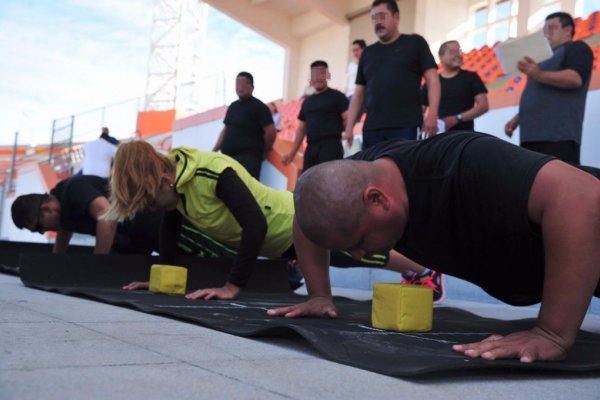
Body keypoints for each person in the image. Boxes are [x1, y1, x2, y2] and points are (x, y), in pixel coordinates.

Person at [267, 131, 600, 364]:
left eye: (358, 241)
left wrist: (552, 332)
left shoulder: (465, 162)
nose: (357, 255)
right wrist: (319, 295)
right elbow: (309, 211)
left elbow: (581, 197)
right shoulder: (359, 177)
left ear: (377, 200)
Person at [108, 141, 443, 301]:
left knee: (359, 253)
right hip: (273, 243)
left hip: (291, 222)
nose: (154, 208)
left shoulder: (212, 171)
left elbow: (255, 224)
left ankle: (426, 270)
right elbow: (170, 230)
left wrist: (232, 286)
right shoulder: (176, 193)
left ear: (163, 179)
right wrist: (161, 278)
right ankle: (420, 269)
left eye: (151, 200)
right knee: (349, 259)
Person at [343, 0, 440, 149]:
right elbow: (358, 95)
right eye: (374, 18)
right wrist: (349, 127)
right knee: (372, 171)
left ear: (396, 17)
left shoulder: (415, 43)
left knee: (403, 171)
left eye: (382, 16)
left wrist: (432, 115)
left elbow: (433, 80)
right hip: (372, 129)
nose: (378, 22)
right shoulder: (367, 53)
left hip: (406, 125)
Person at [505, 12, 593, 163]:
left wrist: (538, 74)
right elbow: (540, 94)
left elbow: (575, 78)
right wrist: (518, 118)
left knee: (558, 184)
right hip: (530, 137)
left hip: (558, 137)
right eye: (545, 28)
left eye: (553, 27)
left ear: (568, 30)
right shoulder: (540, 60)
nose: (547, 32)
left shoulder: (576, 48)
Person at [11, 175, 160, 254]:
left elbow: (107, 215)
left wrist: (96, 263)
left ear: (47, 209)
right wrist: (55, 262)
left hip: (158, 224)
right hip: (138, 239)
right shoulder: (62, 208)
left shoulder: (74, 189)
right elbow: (65, 229)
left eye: (39, 227)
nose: (43, 231)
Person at [282, 60, 349, 172]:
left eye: (322, 74)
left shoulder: (338, 96)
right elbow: (301, 130)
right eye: (315, 75)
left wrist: (342, 132)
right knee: (309, 183)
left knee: (328, 182)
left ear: (327, 75)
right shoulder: (307, 102)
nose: (318, 78)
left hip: (331, 147)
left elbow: (347, 119)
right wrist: (291, 154)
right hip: (311, 148)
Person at [213, 71, 276, 179]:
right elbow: (226, 129)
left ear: (252, 87)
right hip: (228, 158)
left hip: (249, 159)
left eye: (243, 84)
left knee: (245, 191)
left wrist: (264, 151)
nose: (240, 87)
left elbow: (270, 132)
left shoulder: (260, 107)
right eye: (237, 84)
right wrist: (214, 149)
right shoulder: (233, 106)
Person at [422, 40, 489, 132]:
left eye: (459, 51)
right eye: (452, 52)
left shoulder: (471, 77)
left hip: (465, 136)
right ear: (441, 57)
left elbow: (483, 106)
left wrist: (458, 118)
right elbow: (421, 108)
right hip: (439, 136)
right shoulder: (433, 82)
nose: (458, 55)